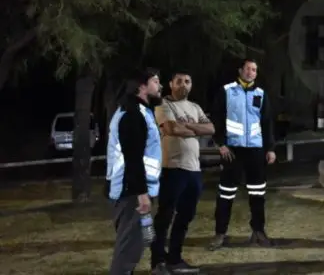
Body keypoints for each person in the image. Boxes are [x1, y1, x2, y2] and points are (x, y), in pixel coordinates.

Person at [150, 71, 215, 274]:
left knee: (186, 216)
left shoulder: (195, 107)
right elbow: (172, 129)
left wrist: (185, 125)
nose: (183, 85)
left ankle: (175, 259)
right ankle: (157, 261)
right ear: (171, 84)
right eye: (179, 81)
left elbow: (211, 128)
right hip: (172, 168)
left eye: (187, 81)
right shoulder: (163, 105)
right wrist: (196, 129)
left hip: (194, 169)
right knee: (165, 216)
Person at [208, 59, 276, 250]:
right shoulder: (227, 91)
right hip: (232, 151)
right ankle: (220, 234)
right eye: (247, 69)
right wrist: (221, 143)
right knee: (226, 194)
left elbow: (267, 123)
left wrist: (270, 148)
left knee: (258, 193)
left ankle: (258, 231)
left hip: (256, 150)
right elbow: (216, 118)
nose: (250, 72)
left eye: (254, 70)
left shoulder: (261, 94)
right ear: (240, 70)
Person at [106, 68, 163, 275]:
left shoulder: (140, 112)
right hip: (131, 192)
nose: (160, 86)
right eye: (155, 81)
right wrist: (141, 193)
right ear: (142, 86)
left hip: (134, 190)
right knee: (128, 250)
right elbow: (133, 158)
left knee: (138, 243)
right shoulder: (132, 114)